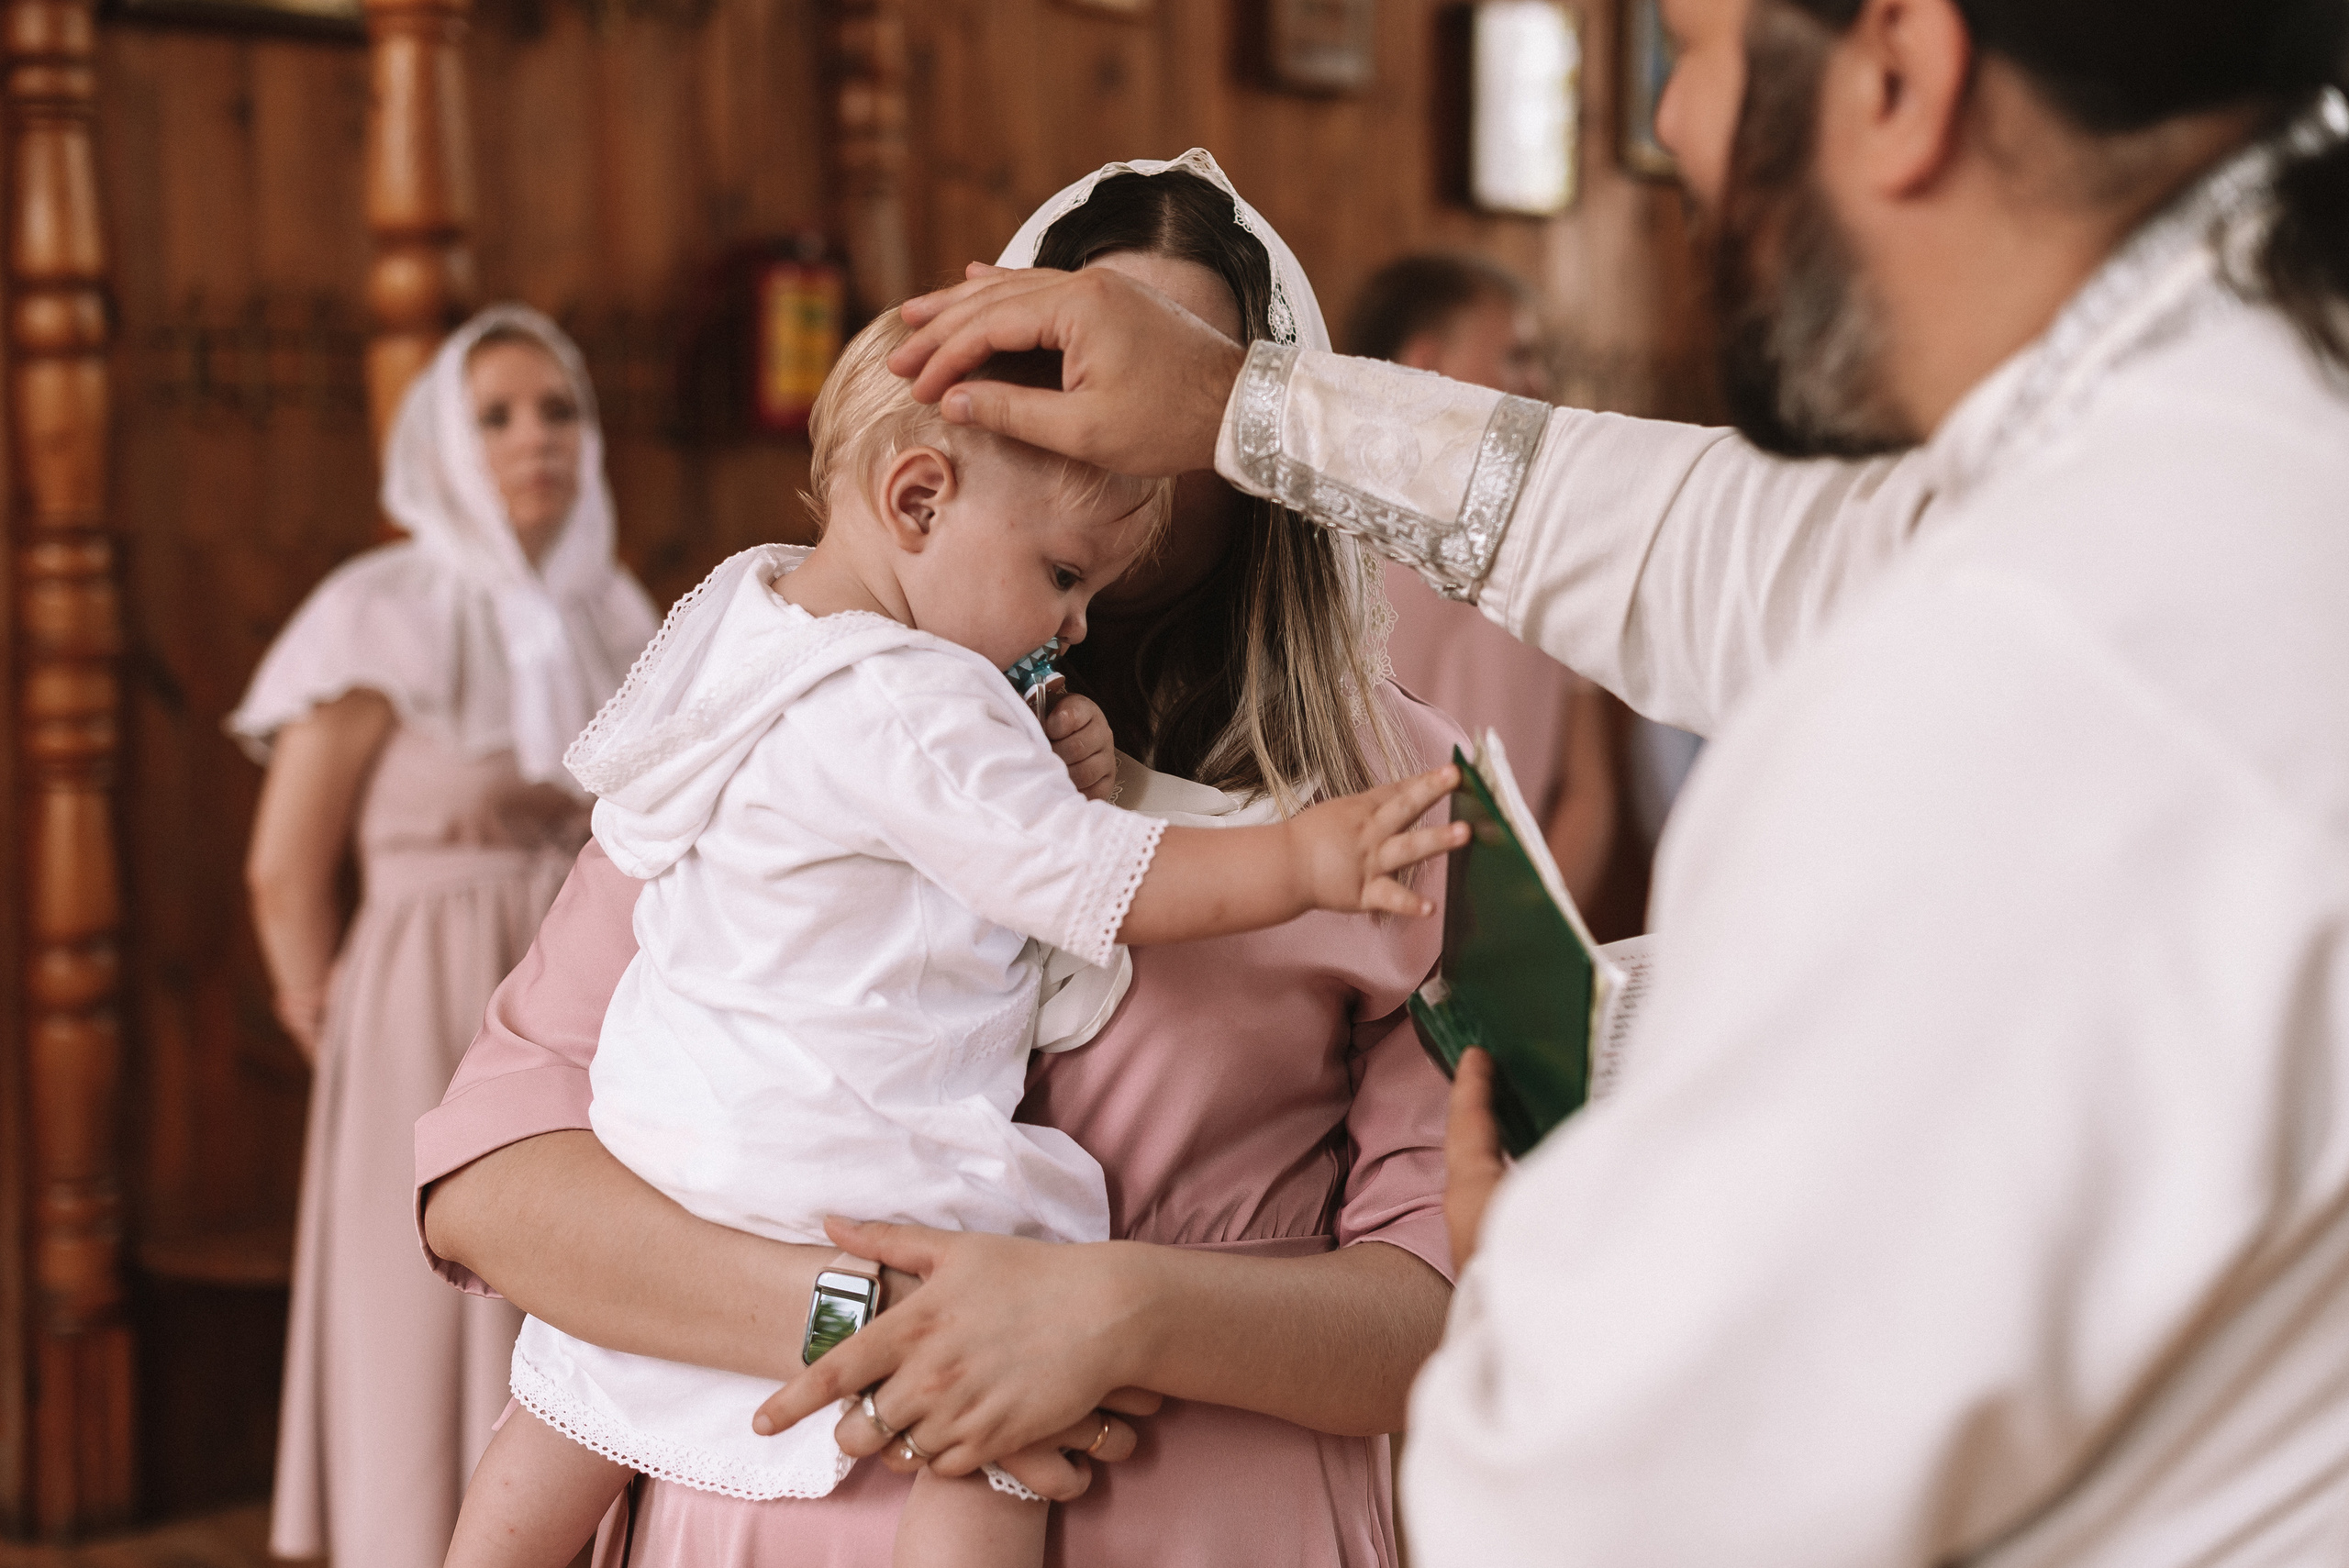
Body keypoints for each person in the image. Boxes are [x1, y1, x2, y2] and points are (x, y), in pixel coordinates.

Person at [879, 0, 2349, 1560]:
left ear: (1904, 76)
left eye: (1692, 53)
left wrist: (1538, 1276)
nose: (1672, 136)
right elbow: (1727, 549)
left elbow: (1604, 1489)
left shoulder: (2014, 660)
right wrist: (1246, 405)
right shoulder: (2233, 451)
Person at [415, 151, 1468, 1567]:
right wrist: (878, 1322)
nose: (1118, 434)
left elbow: (1455, 1306)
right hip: (771, 1477)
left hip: (1206, 1512)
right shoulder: (800, 702)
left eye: (1176, 391)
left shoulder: (1387, 790)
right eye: (1076, 372)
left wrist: (1115, 1317)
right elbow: (494, 1178)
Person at [232, 306, 658, 1568]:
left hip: (591, 1005)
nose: (537, 437)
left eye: (559, 408)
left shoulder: (620, 612)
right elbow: (281, 862)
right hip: (422, 1007)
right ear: (441, 447)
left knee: (576, 1280)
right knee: (417, 1312)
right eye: (498, 414)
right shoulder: (378, 610)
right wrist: (333, 1021)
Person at [1343, 254, 1624, 914]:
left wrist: (1526, 924)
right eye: (1517, 356)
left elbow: (1589, 790)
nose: (1540, 383)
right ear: (1424, 365)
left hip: (1505, 929)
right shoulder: (1326, 552)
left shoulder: (1556, 547)